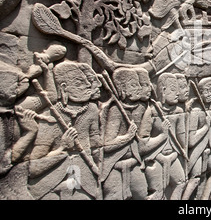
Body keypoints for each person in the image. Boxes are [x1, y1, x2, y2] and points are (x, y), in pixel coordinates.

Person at [28, 61, 102, 200]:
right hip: (53, 182)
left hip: (86, 176)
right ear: (64, 88)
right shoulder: (50, 115)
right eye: (79, 83)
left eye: (87, 82)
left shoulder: (91, 110)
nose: (87, 86)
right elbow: (33, 168)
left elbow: (96, 145)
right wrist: (62, 147)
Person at [139, 73, 187, 200]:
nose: (177, 93)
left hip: (173, 156)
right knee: (157, 193)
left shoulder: (178, 112)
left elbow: (182, 141)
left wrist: (176, 155)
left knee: (180, 182)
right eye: (173, 89)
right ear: (163, 90)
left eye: (178, 89)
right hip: (155, 158)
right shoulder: (152, 111)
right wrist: (162, 135)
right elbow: (142, 146)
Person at [101, 68, 147, 200]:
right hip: (115, 164)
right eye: (133, 85)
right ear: (122, 89)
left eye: (138, 84)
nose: (138, 88)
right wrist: (127, 137)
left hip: (135, 161)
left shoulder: (141, 108)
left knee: (142, 194)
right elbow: (107, 145)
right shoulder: (116, 110)